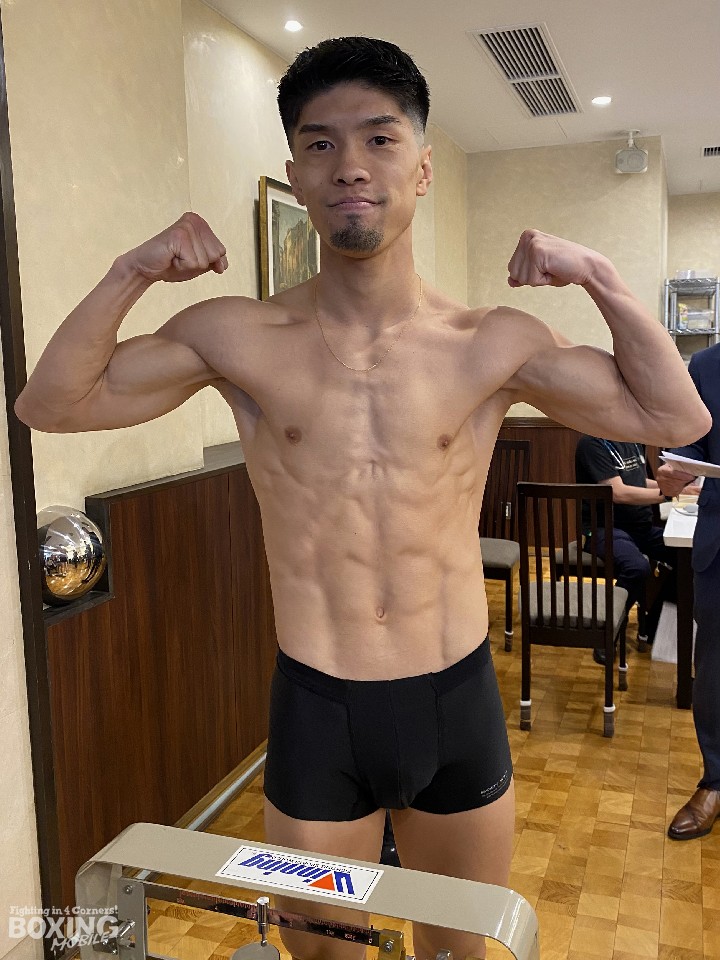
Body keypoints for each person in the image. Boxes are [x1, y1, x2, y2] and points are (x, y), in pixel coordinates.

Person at [15, 36, 710, 959]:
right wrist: (131, 270)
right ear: (296, 176)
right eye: (321, 144)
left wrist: (599, 276)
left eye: (380, 139)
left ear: (422, 169)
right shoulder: (237, 337)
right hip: (318, 713)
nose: (350, 165)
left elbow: (675, 414)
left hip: (455, 701)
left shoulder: (490, 342)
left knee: (456, 950)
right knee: (323, 952)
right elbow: (52, 404)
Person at [657, 342, 720, 841]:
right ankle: (715, 780)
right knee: (713, 672)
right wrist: (678, 469)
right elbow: (694, 448)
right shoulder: (706, 365)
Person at [575, 435, 677, 664]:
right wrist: (668, 494)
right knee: (637, 567)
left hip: (640, 529)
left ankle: (652, 624)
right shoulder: (592, 443)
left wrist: (679, 488)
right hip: (604, 529)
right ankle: (607, 633)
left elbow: (640, 481)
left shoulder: (632, 440)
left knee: (688, 555)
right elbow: (617, 493)